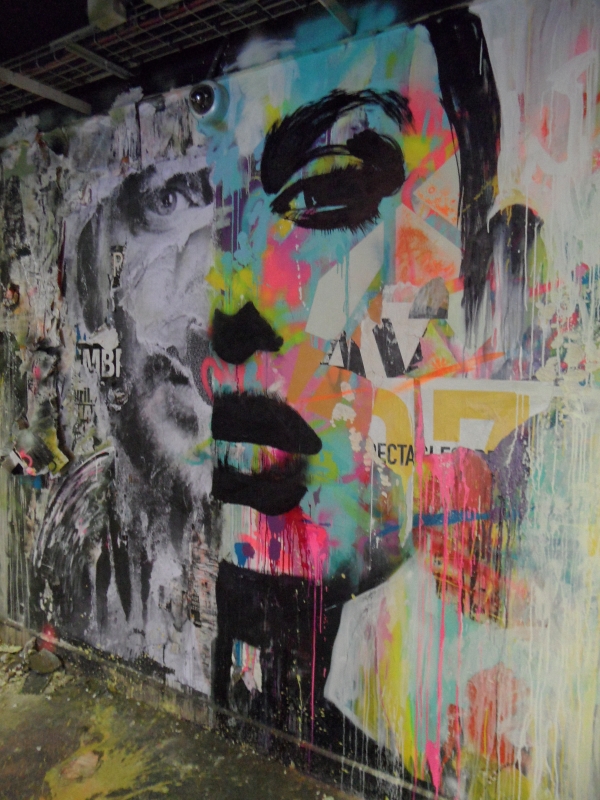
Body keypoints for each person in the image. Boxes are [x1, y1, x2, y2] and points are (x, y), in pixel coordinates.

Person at [33, 4, 544, 793]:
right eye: (183, 206)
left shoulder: (485, 677)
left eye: (332, 192)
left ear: (487, 278)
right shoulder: (96, 562)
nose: (228, 317)